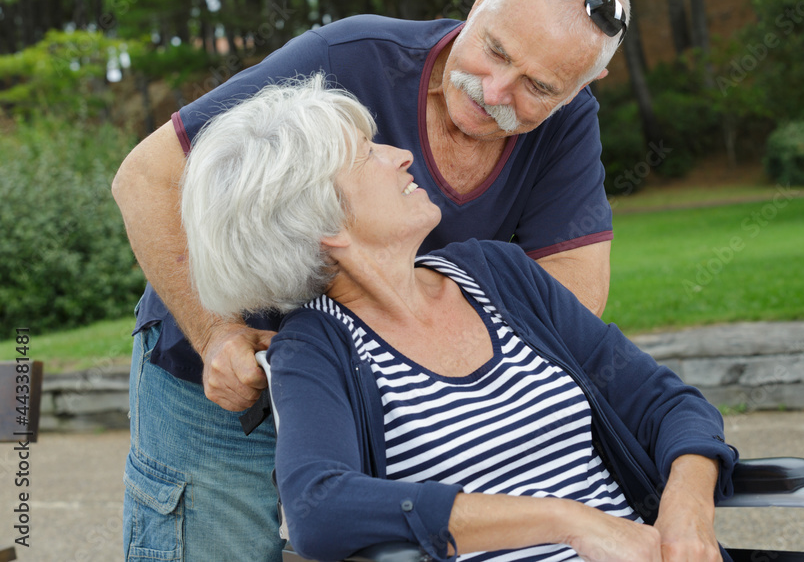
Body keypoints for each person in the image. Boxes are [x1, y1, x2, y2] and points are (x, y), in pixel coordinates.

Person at [114, 0, 633, 560]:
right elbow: (146, 178)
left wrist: (457, 373)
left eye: (539, 87)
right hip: (224, 375)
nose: (496, 91)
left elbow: (572, 290)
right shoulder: (348, 56)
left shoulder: (567, 124)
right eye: (495, 50)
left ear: (585, 84)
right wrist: (215, 334)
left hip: (383, 393)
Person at [181, 75, 738, 562]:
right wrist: (566, 521)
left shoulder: (498, 275)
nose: (401, 155)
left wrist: (686, 509)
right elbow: (317, 507)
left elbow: (669, 404)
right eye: (367, 154)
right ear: (322, 220)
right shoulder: (316, 348)